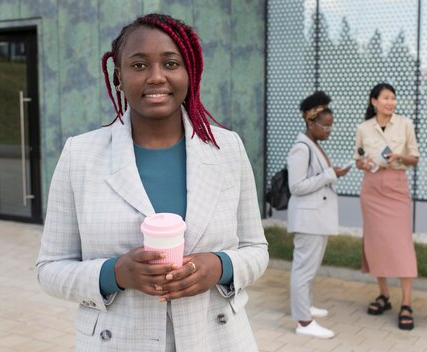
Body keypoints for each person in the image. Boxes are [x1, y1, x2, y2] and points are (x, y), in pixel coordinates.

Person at [36, 13, 268, 352]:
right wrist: (114, 274)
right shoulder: (80, 155)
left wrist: (221, 266)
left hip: (218, 339)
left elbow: (256, 250)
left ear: (190, 71)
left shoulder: (226, 148)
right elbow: (49, 269)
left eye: (171, 63)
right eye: (139, 65)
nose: (156, 77)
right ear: (118, 76)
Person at [354, 83, 419, 330]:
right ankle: (384, 296)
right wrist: (365, 163)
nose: (391, 102)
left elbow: (415, 157)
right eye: (386, 98)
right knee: (376, 243)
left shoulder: (405, 124)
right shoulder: (363, 128)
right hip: (371, 189)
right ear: (374, 102)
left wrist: (400, 157)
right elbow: (357, 159)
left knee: (402, 245)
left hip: (396, 187)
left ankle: (407, 303)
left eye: (393, 98)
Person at [287, 91, 350, 339]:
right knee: (303, 270)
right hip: (308, 219)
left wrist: (332, 173)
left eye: (331, 126)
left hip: (316, 218)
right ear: (310, 123)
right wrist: (330, 174)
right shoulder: (301, 148)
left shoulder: (313, 144)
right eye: (325, 126)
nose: (329, 131)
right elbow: (297, 186)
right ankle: (303, 322)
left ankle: (306, 306)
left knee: (309, 269)